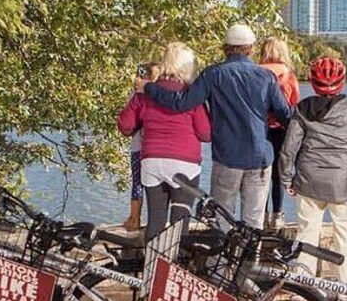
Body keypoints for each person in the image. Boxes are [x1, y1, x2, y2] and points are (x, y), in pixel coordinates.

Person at [137, 23, 293, 230]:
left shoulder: (213, 74)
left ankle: (221, 262)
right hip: (260, 157)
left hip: (227, 157)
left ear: (225, 48)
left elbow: (180, 102)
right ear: (252, 48)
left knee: (222, 219)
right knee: (254, 223)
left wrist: (149, 87)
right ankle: (247, 262)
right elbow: (285, 115)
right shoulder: (266, 77)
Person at [279, 57, 347, 301]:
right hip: (344, 183)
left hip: (308, 181)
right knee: (345, 234)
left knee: (307, 233)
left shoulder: (302, 108)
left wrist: (287, 177)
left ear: (313, 83)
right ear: (342, 82)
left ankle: (302, 286)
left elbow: (289, 149)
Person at [118, 43, 211, 240]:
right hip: (185, 165)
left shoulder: (145, 93)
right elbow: (206, 134)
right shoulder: (190, 95)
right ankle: (175, 267)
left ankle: (151, 266)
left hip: (152, 162)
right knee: (180, 224)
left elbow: (125, 126)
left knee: (155, 221)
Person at [259, 37, 300, 230]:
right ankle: (277, 214)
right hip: (283, 128)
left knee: (262, 172)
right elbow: (294, 104)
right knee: (279, 172)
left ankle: (262, 213)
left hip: (261, 128)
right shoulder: (289, 75)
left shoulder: (257, 73)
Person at [122, 62, 160, 231]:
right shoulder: (161, 94)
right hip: (156, 148)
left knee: (137, 183)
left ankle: (134, 218)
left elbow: (127, 120)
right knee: (156, 186)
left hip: (139, 146)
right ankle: (153, 220)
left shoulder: (137, 94)